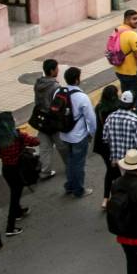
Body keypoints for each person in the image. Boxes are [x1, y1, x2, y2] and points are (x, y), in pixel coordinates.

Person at [0, 111, 38, 237]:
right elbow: (34, 141)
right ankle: (10, 227)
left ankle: (18, 212)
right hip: (19, 169)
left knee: (14, 190)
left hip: (6, 169)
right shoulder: (18, 136)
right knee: (15, 196)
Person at [58, 67, 96, 198]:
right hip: (78, 136)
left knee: (69, 161)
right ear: (76, 79)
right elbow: (91, 119)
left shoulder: (58, 92)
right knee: (79, 163)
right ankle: (79, 190)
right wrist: (91, 133)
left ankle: (69, 186)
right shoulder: (82, 97)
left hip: (63, 134)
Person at [91, 86, 123, 210]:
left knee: (111, 169)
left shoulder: (99, 107)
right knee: (116, 170)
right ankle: (115, 197)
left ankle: (106, 198)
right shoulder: (117, 108)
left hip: (101, 143)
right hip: (113, 142)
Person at [28, 57, 58, 178]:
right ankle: (71, 166)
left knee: (44, 147)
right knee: (62, 145)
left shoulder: (38, 84)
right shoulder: (55, 86)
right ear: (51, 71)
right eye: (56, 68)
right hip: (52, 120)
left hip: (40, 118)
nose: (58, 70)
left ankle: (45, 171)